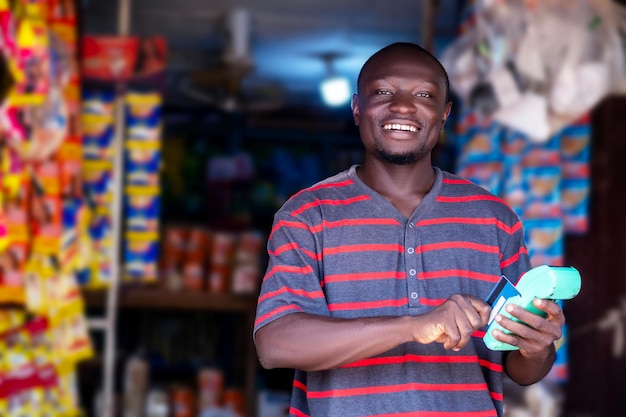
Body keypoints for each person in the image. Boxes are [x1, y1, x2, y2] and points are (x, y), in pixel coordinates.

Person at [253, 42, 565, 417]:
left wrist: (537, 347)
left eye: (424, 94)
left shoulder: (494, 219)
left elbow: (521, 369)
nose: (402, 105)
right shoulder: (307, 214)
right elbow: (275, 345)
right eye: (383, 91)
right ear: (357, 108)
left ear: (444, 113)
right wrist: (414, 326)